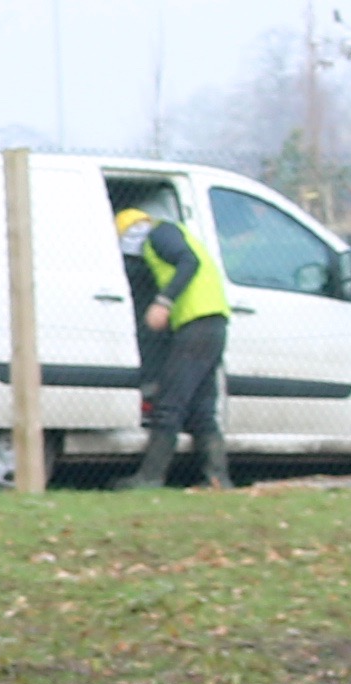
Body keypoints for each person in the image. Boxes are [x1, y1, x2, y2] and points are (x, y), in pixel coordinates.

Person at [118, 201, 234, 490]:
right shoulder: (174, 233)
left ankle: (150, 477)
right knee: (203, 408)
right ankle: (218, 479)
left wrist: (163, 301)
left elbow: (188, 261)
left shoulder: (159, 234)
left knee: (169, 403)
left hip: (196, 325)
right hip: (212, 323)